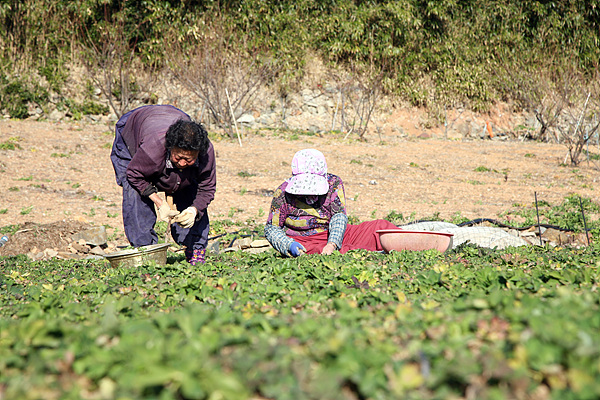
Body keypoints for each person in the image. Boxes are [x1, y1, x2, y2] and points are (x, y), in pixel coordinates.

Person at [110, 105, 216, 265]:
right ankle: (145, 251)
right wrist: (160, 203)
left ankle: (194, 248)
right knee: (134, 191)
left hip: (164, 120)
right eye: (178, 157)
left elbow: (207, 187)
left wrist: (193, 210)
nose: (182, 163)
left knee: (190, 187)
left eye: (189, 159)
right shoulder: (153, 148)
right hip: (134, 132)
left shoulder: (206, 151)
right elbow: (134, 174)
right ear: (170, 148)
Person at [264, 149, 397, 257]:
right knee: (315, 250)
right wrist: (288, 244)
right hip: (303, 241)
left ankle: (407, 243)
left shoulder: (333, 183)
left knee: (379, 228)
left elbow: (338, 216)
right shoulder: (283, 192)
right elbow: (271, 228)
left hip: (335, 234)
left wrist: (332, 243)